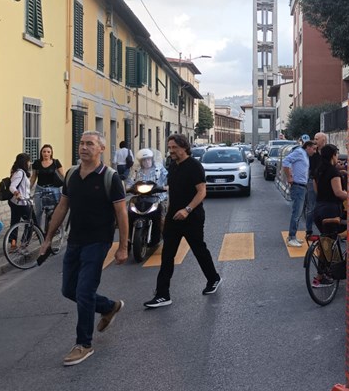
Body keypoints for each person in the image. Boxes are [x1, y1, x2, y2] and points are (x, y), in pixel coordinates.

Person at [38, 131, 129, 366]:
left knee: (85, 291)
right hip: (75, 240)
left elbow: (121, 212)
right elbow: (62, 207)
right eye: (81, 143)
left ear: (101, 149)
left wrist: (123, 247)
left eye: (90, 144)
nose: (84, 147)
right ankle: (109, 307)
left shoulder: (110, 177)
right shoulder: (71, 175)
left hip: (98, 241)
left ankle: (84, 344)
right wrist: (48, 238)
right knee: (69, 290)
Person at [144, 134, 221, 308]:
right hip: (173, 217)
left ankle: (213, 278)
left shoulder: (194, 166)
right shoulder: (173, 166)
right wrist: (167, 210)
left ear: (184, 148)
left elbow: (202, 192)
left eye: (174, 148)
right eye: (169, 147)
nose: (171, 151)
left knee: (198, 250)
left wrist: (187, 210)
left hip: (192, 217)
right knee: (167, 255)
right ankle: (163, 294)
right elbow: (174, 189)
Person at [282, 140, 317, 247]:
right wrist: (289, 177)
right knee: (296, 213)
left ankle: (293, 236)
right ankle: (292, 237)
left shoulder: (304, 155)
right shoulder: (299, 152)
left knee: (298, 212)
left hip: (302, 186)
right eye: (314, 149)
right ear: (308, 147)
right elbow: (285, 162)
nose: (315, 152)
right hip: (298, 186)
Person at [313, 144, 348, 235]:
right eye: (336, 155)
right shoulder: (333, 172)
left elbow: (317, 191)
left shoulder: (318, 170)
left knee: (325, 240)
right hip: (330, 211)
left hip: (318, 209)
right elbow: (338, 192)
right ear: (333, 156)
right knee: (331, 239)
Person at [30, 144, 64, 227]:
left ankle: (54, 229)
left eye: (48, 152)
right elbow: (34, 177)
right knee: (39, 211)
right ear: (41, 153)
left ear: (51, 153)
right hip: (40, 189)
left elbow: (62, 176)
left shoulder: (56, 162)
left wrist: (66, 188)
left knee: (53, 211)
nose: (46, 154)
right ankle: (39, 231)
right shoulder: (37, 163)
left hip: (53, 189)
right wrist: (29, 188)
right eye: (44, 151)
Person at [7, 153, 32, 251]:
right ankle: (23, 243)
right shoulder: (20, 173)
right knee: (31, 222)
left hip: (14, 203)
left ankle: (13, 244)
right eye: (29, 161)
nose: (29, 163)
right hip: (22, 202)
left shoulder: (16, 171)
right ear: (25, 162)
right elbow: (12, 186)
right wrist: (17, 194)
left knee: (14, 222)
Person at [305, 132, 328, 236]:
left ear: (324, 140)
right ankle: (309, 230)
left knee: (325, 205)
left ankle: (325, 230)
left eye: (317, 139)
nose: (315, 141)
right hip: (313, 180)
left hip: (325, 181)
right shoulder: (312, 152)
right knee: (311, 206)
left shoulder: (328, 151)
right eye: (314, 138)